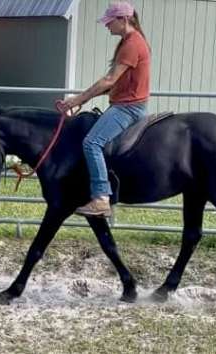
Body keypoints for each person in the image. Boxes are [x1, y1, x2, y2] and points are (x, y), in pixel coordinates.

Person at [58, 1, 150, 217]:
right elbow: (115, 84)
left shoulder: (132, 44)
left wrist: (77, 99)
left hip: (128, 108)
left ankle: (101, 198)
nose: (107, 26)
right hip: (126, 104)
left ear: (124, 20)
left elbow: (109, 80)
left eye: (110, 22)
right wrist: (82, 100)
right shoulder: (130, 41)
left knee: (91, 143)